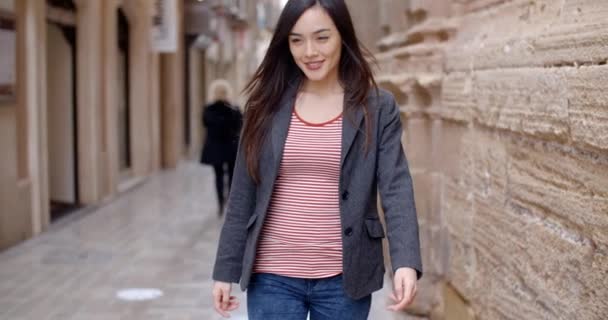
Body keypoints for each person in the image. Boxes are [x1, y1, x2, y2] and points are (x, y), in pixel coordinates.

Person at [211, 1, 422, 319]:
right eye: (297, 40)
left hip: (345, 278)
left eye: (321, 37)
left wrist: (405, 260)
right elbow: (243, 192)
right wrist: (224, 269)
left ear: (342, 36)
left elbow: (396, 187)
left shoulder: (377, 107)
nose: (309, 51)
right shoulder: (265, 106)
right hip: (272, 276)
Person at [200, 79, 243, 216]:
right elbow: (240, 127)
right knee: (231, 176)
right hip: (231, 148)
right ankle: (230, 203)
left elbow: (205, 124)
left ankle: (220, 204)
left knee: (218, 176)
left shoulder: (208, 109)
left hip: (215, 148)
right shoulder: (235, 110)